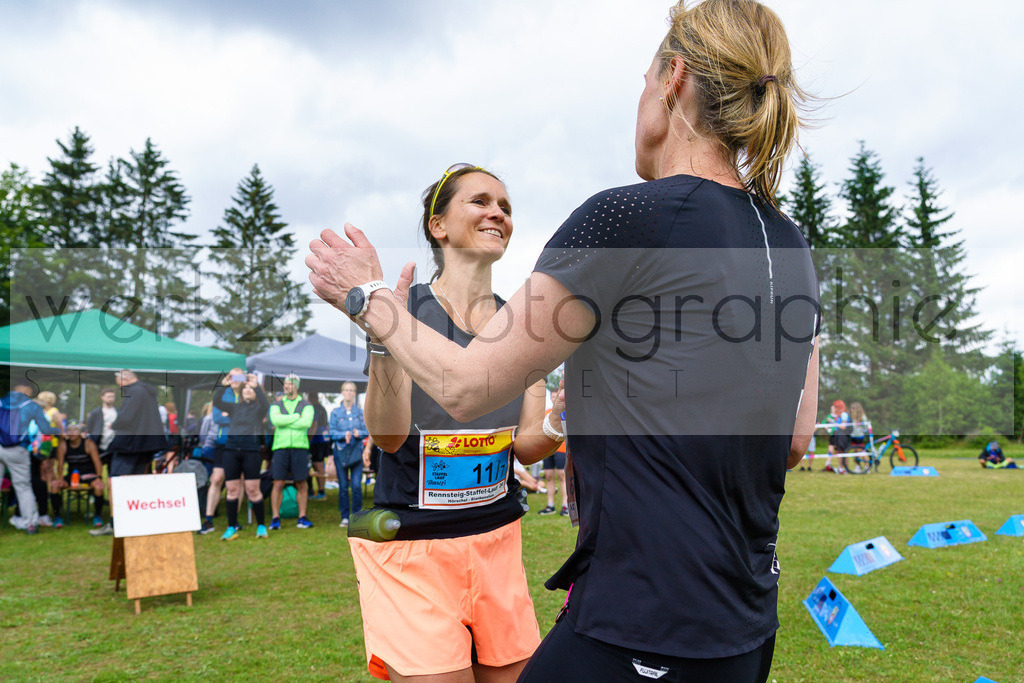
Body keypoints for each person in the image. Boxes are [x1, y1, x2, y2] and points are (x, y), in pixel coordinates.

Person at [306, 1, 819, 678]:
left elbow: (467, 384)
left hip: (640, 625)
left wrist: (365, 297)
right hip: (745, 628)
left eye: (643, 81)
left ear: (673, 77)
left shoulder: (627, 216)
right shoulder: (790, 243)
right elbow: (794, 438)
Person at [331, 165, 566, 682]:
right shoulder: (402, 310)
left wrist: (562, 417)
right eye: (480, 201)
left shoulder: (520, 325)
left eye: (505, 207)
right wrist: (383, 336)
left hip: (498, 542)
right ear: (438, 226)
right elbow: (388, 436)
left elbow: (527, 446)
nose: (497, 214)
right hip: (414, 548)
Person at [91, 369, 169, 536]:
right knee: (138, 482)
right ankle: (135, 522)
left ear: (123, 379)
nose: (117, 384)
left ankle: (114, 524)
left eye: (117, 380)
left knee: (115, 483)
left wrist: (115, 424)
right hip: (145, 446)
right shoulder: (147, 392)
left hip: (129, 445)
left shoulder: (134, 392)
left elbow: (126, 418)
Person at [212, 374, 271, 540]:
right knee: (232, 490)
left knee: (253, 490)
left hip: (251, 452)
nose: (247, 390)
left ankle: (261, 526)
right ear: (241, 392)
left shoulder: (259, 410)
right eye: (245, 388)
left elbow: (266, 404)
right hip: (231, 451)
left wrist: (256, 386)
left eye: (250, 389)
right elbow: (217, 402)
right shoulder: (234, 407)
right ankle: (231, 527)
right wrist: (223, 385)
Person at [1, 383, 60, 534]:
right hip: (18, 450)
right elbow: (46, 429)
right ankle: (31, 523)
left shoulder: (2, 401)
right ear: (29, 390)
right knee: (23, 487)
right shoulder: (31, 406)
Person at [268, 374, 314, 530]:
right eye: (285, 383)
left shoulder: (307, 405)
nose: (286, 386)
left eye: (290, 384)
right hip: (281, 447)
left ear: (296, 386)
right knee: (278, 483)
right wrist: (296, 417)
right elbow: (275, 421)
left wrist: (285, 420)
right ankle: (275, 518)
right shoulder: (276, 405)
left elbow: (306, 423)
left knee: (301, 483)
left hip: (300, 447)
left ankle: (302, 516)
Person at [200, 368, 242, 535]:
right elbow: (218, 418)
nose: (235, 379)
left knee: (238, 481)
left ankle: (235, 520)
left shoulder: (247, 393)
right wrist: (237, 417)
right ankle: (208, 519)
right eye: (232, 376)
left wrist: (232, 416)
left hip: (241, 443)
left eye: (239, 376)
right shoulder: (223, 394)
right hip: (223, 442)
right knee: (217, 478)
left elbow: (253, 416)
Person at [51, 420, 105, 528]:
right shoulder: (63, 445)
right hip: (72, 476)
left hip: (88, 475)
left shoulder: (88, 444)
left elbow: (97, 463)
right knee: (54, 486)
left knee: (99, 487)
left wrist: (99, 477)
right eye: (69, 430)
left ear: (80, 432)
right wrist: (60, 478)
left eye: (75, 430)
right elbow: (60, 464)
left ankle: (97, 516)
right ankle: (57, 517)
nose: (71, 433)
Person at [328, 381, 366, 527]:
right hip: (341, 453)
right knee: (343, 486)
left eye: (351, 390)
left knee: (356, 486)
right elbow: (332, 433)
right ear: (342, 392)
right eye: (346, 390)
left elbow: (366, 430)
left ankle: (357, 516)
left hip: (356, 453)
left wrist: (359, 433)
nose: (349, 393)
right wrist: (344, 434)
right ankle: (345, 516)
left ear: (355, 393)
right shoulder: (335, 413)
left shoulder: (360, 413)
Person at [538, 387, 569, 516]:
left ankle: (566, 506)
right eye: (552, 396)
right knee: (549, 477)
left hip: (562, 449)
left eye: (556, 395)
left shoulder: (567, 413)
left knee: (562, 476)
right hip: (548, 450)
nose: (554, 398)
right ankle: (550, 505)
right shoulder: (546, 413)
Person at [85, 387, 118, 473]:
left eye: (113, 397)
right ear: (102, 397)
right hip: (98, 444)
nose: (111, 399)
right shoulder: (96, 412)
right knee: (95, 469)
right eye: (108, 396)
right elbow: (89, 428)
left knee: (113, 471)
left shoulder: (118, 411)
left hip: (114, 445)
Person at [307, 393, 330, 500]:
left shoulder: (315, 408)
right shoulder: (322, 408)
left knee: (318, 464)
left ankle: (321, 492)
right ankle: (320, 490)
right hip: (323, 439)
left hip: (317, 440)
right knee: (318, 464)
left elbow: (314, 424)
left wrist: (309, 438)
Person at [823, 400, 850, 474]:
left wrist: (833, 423)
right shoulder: (839, 415)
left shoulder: (844, 414)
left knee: (843, 453)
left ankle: (845, 468)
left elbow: (843, 427)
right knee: (839, 452)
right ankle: (841, 468)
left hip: (843, 436)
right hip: (838, 435)